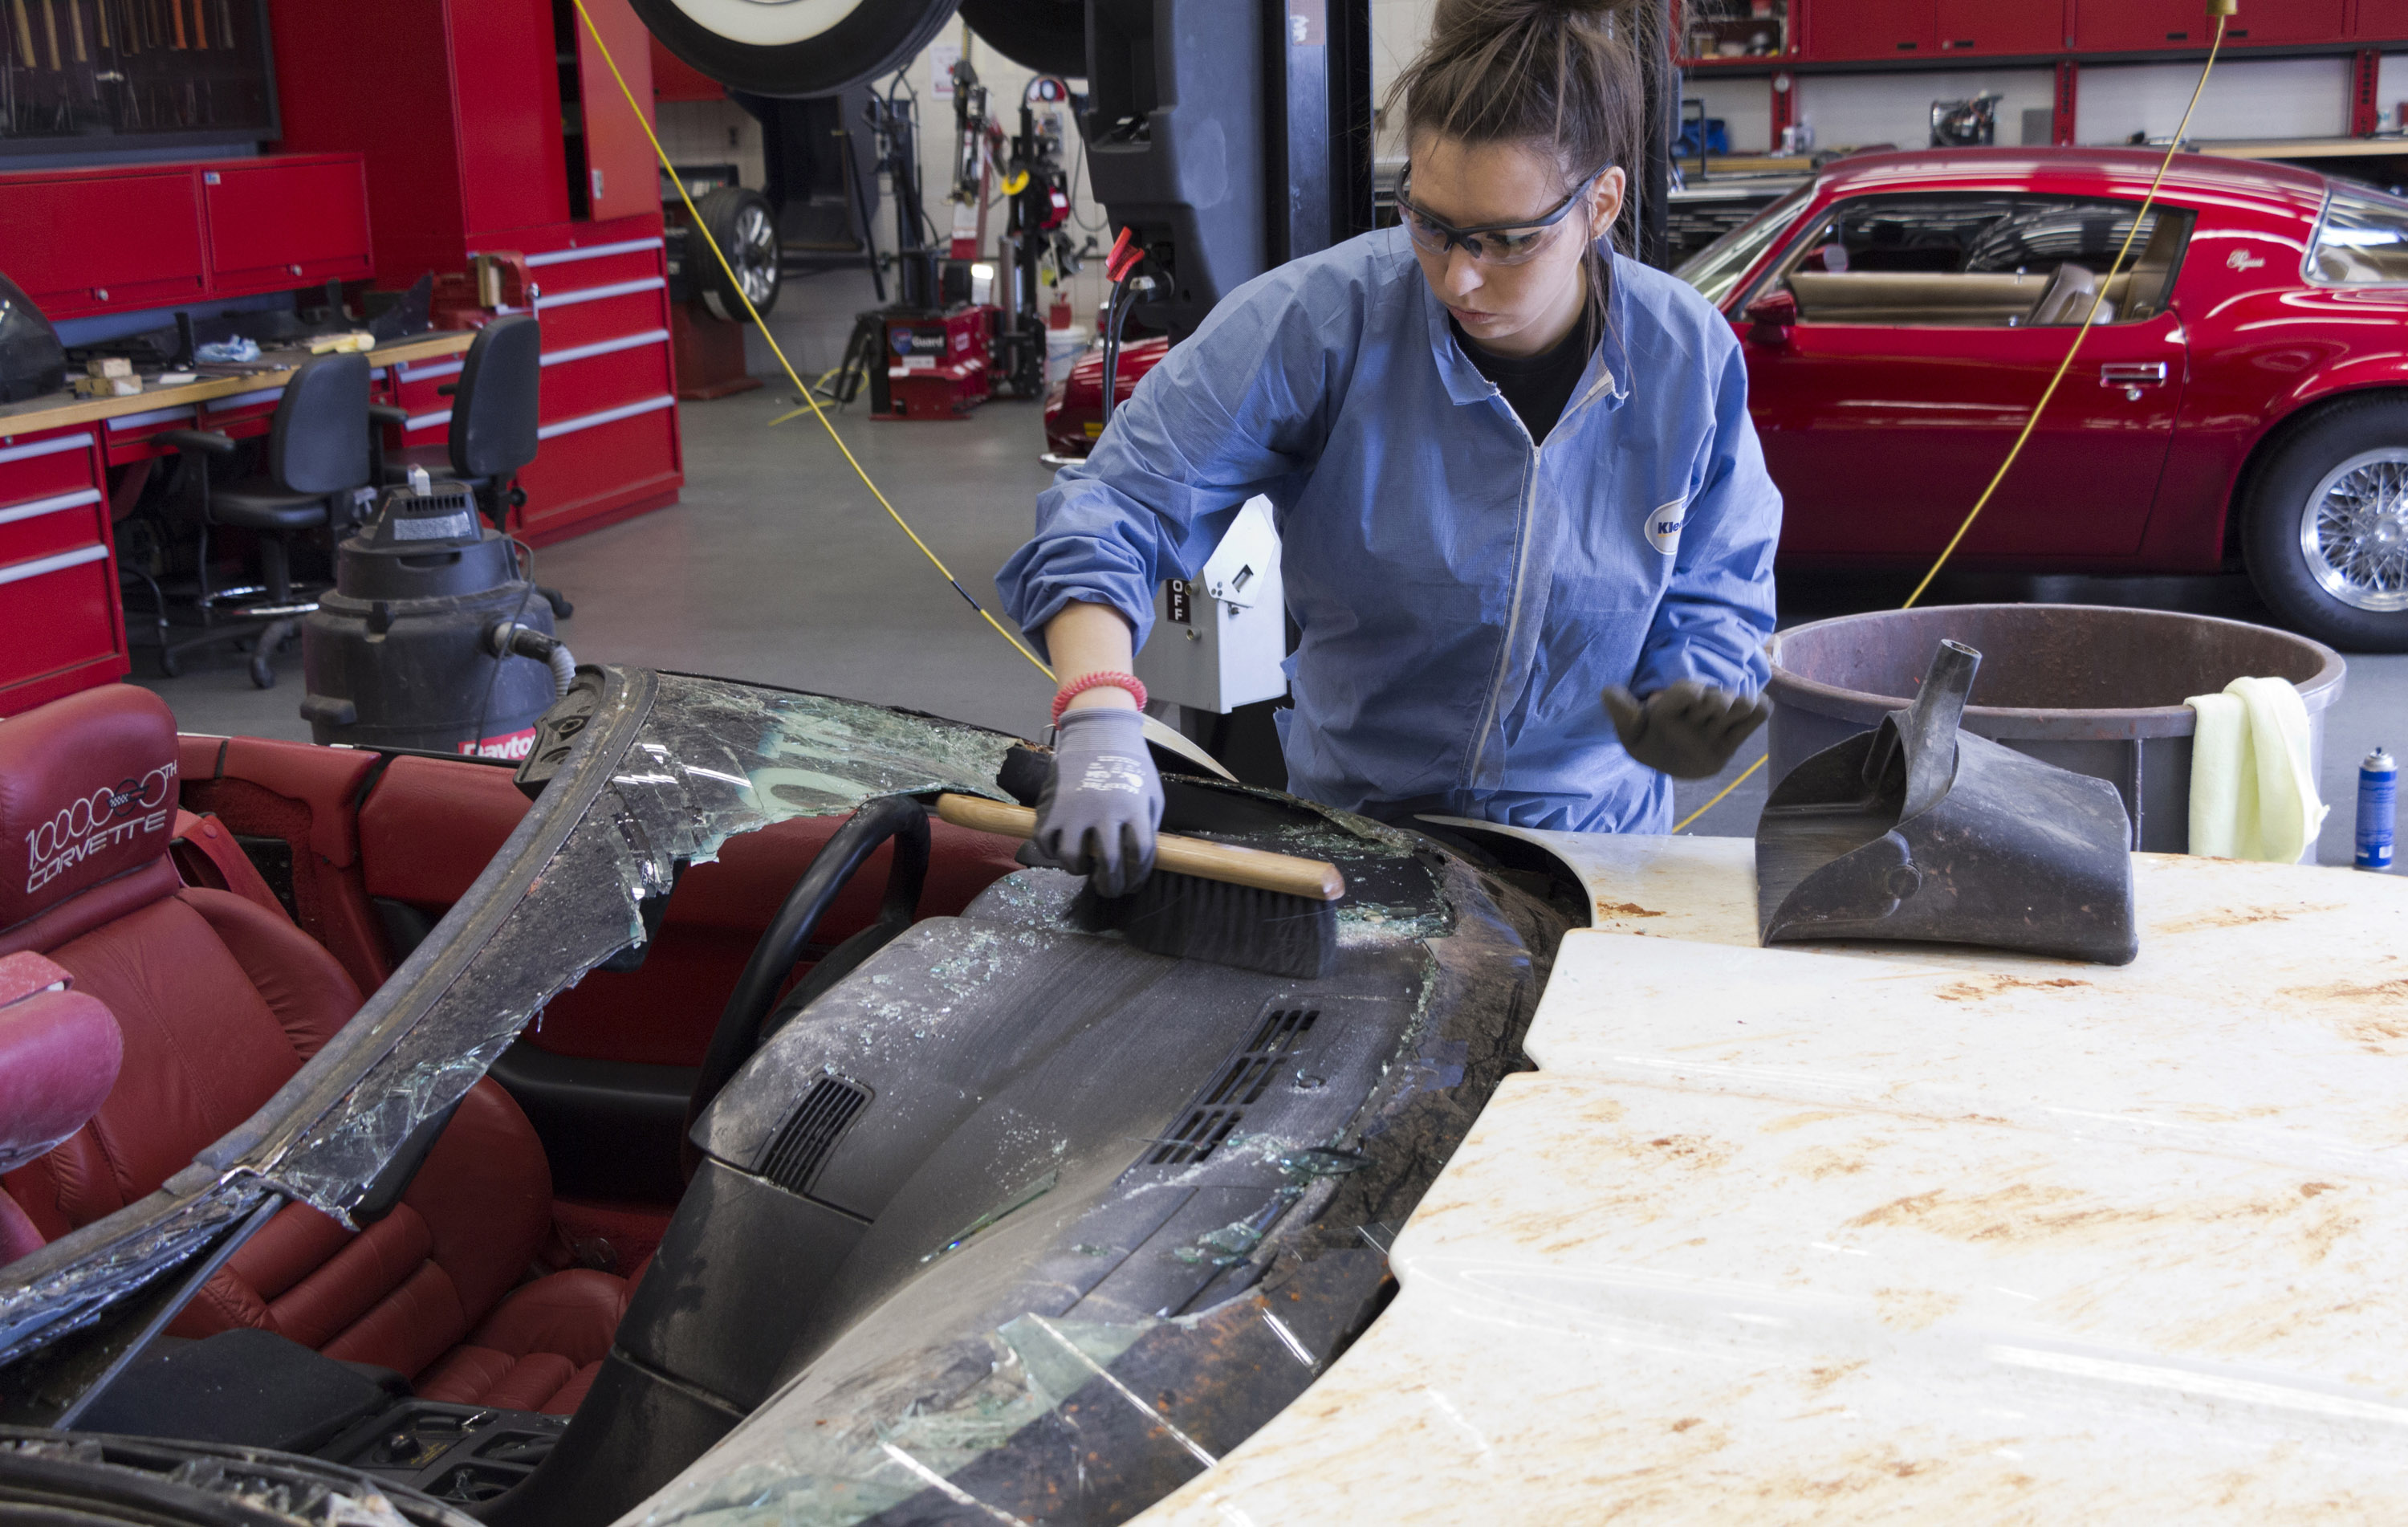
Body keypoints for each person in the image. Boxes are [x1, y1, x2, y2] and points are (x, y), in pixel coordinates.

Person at [996, 0, 1780, 894]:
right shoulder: (1323, 323)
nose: (1458, 276)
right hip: (1361, 839)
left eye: (1505, 241)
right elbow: (1121, 504)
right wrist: (1098, 710)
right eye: (1432, 223)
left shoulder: (1689, 360)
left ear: (1600, 204)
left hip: (1597, 857)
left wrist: (1696, 680)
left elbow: (1720, 582)